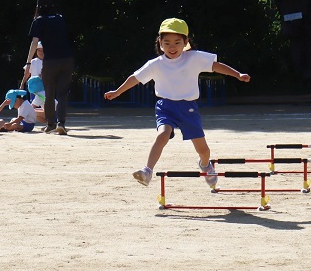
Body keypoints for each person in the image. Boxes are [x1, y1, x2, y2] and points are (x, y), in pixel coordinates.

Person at [104, 18, 251, 187]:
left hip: (188, 108)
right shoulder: (155, 64)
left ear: (186, 42)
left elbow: (216, 66)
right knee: (162, 134)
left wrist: (238, 74)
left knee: (202, 150)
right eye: (166, 42)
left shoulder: (194, 58)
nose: (172, 47)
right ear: (160, 43)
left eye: (176, 42)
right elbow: (135, 78)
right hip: (165, 107)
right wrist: (117, 92)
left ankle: (205, 165)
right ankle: (147, 171)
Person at [25, 0, 73, 135]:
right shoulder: (60, 18)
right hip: (67, 58)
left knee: (49, 92)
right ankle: (61, 123)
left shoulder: (39, 21)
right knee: (63, 93)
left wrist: (28, 62)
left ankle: (50, 123)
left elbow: (34, 43)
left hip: (51, 60)